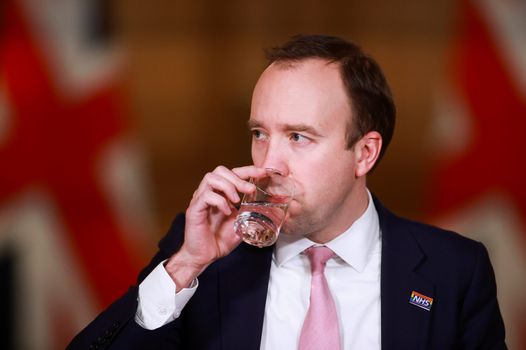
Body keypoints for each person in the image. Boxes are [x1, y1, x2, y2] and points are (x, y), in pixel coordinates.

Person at [68, 34, 506, 350]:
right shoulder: (202, 254)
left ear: (364, 153)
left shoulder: (454, 271)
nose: (269, 163)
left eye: (298, 136)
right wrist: (184, 267)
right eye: (260, 133)